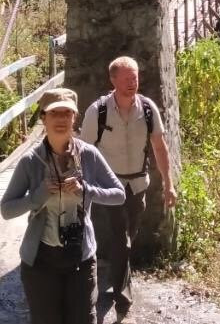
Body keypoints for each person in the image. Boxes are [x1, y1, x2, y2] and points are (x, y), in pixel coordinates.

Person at [0, 88, 125, 324]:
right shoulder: (30, 161)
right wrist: (37, 196)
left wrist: (86, 190)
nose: (60, 119)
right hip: (41, 262)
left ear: (74, 117)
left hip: (81, 258)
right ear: (43, 118)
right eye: (54, 113)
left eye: (66, 113)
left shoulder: (89, 155)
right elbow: (6, 210)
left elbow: (119, 195)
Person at [80, 56, 177, 323]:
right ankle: (123, 299)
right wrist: (83, 187)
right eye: (126, 79)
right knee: (121, 237)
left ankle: (115, 272)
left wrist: (169, 185)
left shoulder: (147, 109)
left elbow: (160, 147)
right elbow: (83, 153)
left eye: (135, 77)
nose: (132, 83)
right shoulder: (97, 111)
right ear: (113, 80)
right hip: (110, 187)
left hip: (138, 185)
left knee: (127, 237)